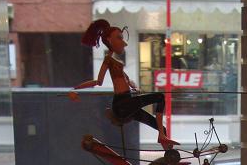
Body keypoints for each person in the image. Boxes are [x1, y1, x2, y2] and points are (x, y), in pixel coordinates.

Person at [69, 19, 177, 151]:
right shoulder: (108, 60)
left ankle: (169, 152)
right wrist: (75, 88)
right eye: (119, 38)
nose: (124, 43)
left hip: (128, 103)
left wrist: (133, 86)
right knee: (159, 97)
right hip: (122, 104)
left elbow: (125, 79)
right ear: (109, 40)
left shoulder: (114, 60)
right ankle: (162, 136)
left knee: (160, 127)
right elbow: (98, 81)